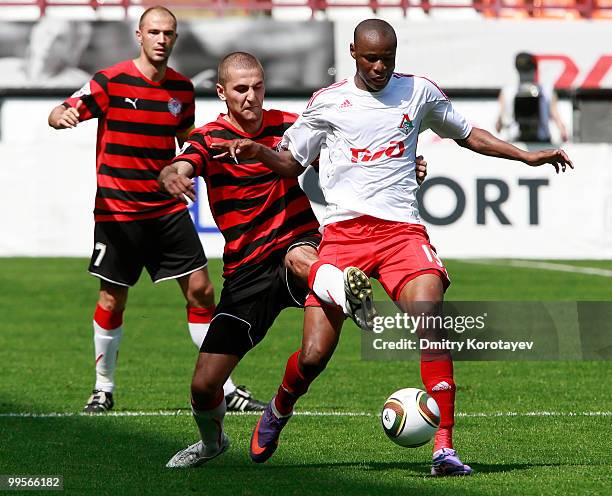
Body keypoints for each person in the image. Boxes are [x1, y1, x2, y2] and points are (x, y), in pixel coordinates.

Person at [212, 19, 573, 476]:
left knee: (431, 318)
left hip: (402, 233)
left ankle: (444, 447)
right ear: (353, 54)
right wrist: (260, 153)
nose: (380, 67)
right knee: (314, 355)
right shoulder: (328, 103)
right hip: (342, 236)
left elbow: (468, 133)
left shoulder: (419, 92)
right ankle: (281, 407)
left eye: (387, 58)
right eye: (370, 58)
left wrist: (526, 155)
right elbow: (290, 162)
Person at [160, 51, 429, 468]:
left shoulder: (289, 124)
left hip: (298, 244)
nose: (251, 97)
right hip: (245, 272)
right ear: (221, 92)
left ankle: (345, 290)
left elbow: (348, 159)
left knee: (302, 263)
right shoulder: (208, 138)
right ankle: (212, 444)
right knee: (203, 386)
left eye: (257, 87)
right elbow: (182, 162)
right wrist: (173, 174)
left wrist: (403, 165)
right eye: (240, 89)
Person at [46, 7, 264, 414]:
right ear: (139, 35)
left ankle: (226, 388)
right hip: (118, 211)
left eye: (169, 33)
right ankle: (103, 388)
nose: (162, 39)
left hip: (166, 210)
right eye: (154, 32)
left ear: (175, 38)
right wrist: (63, 116)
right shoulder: (109, 82)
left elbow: (186, 141)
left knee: (201, 291)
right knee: (112, 299)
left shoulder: (181, 90)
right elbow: (59, 111)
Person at [496, 52, 569, 143]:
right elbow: (499, 124)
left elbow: (556, 116)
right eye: (523, 71)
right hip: (517, 143)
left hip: (539, 142)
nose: (525, 74)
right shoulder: (508, 92)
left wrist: (562, 131)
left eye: (526, 70)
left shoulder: (546, 91)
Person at [0, 17, 91, 88]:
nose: (49, 42)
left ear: (70, 47)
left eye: (59, 38)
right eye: (47, 33)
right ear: (34, 32)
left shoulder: (81, 83)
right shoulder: (3, 69)